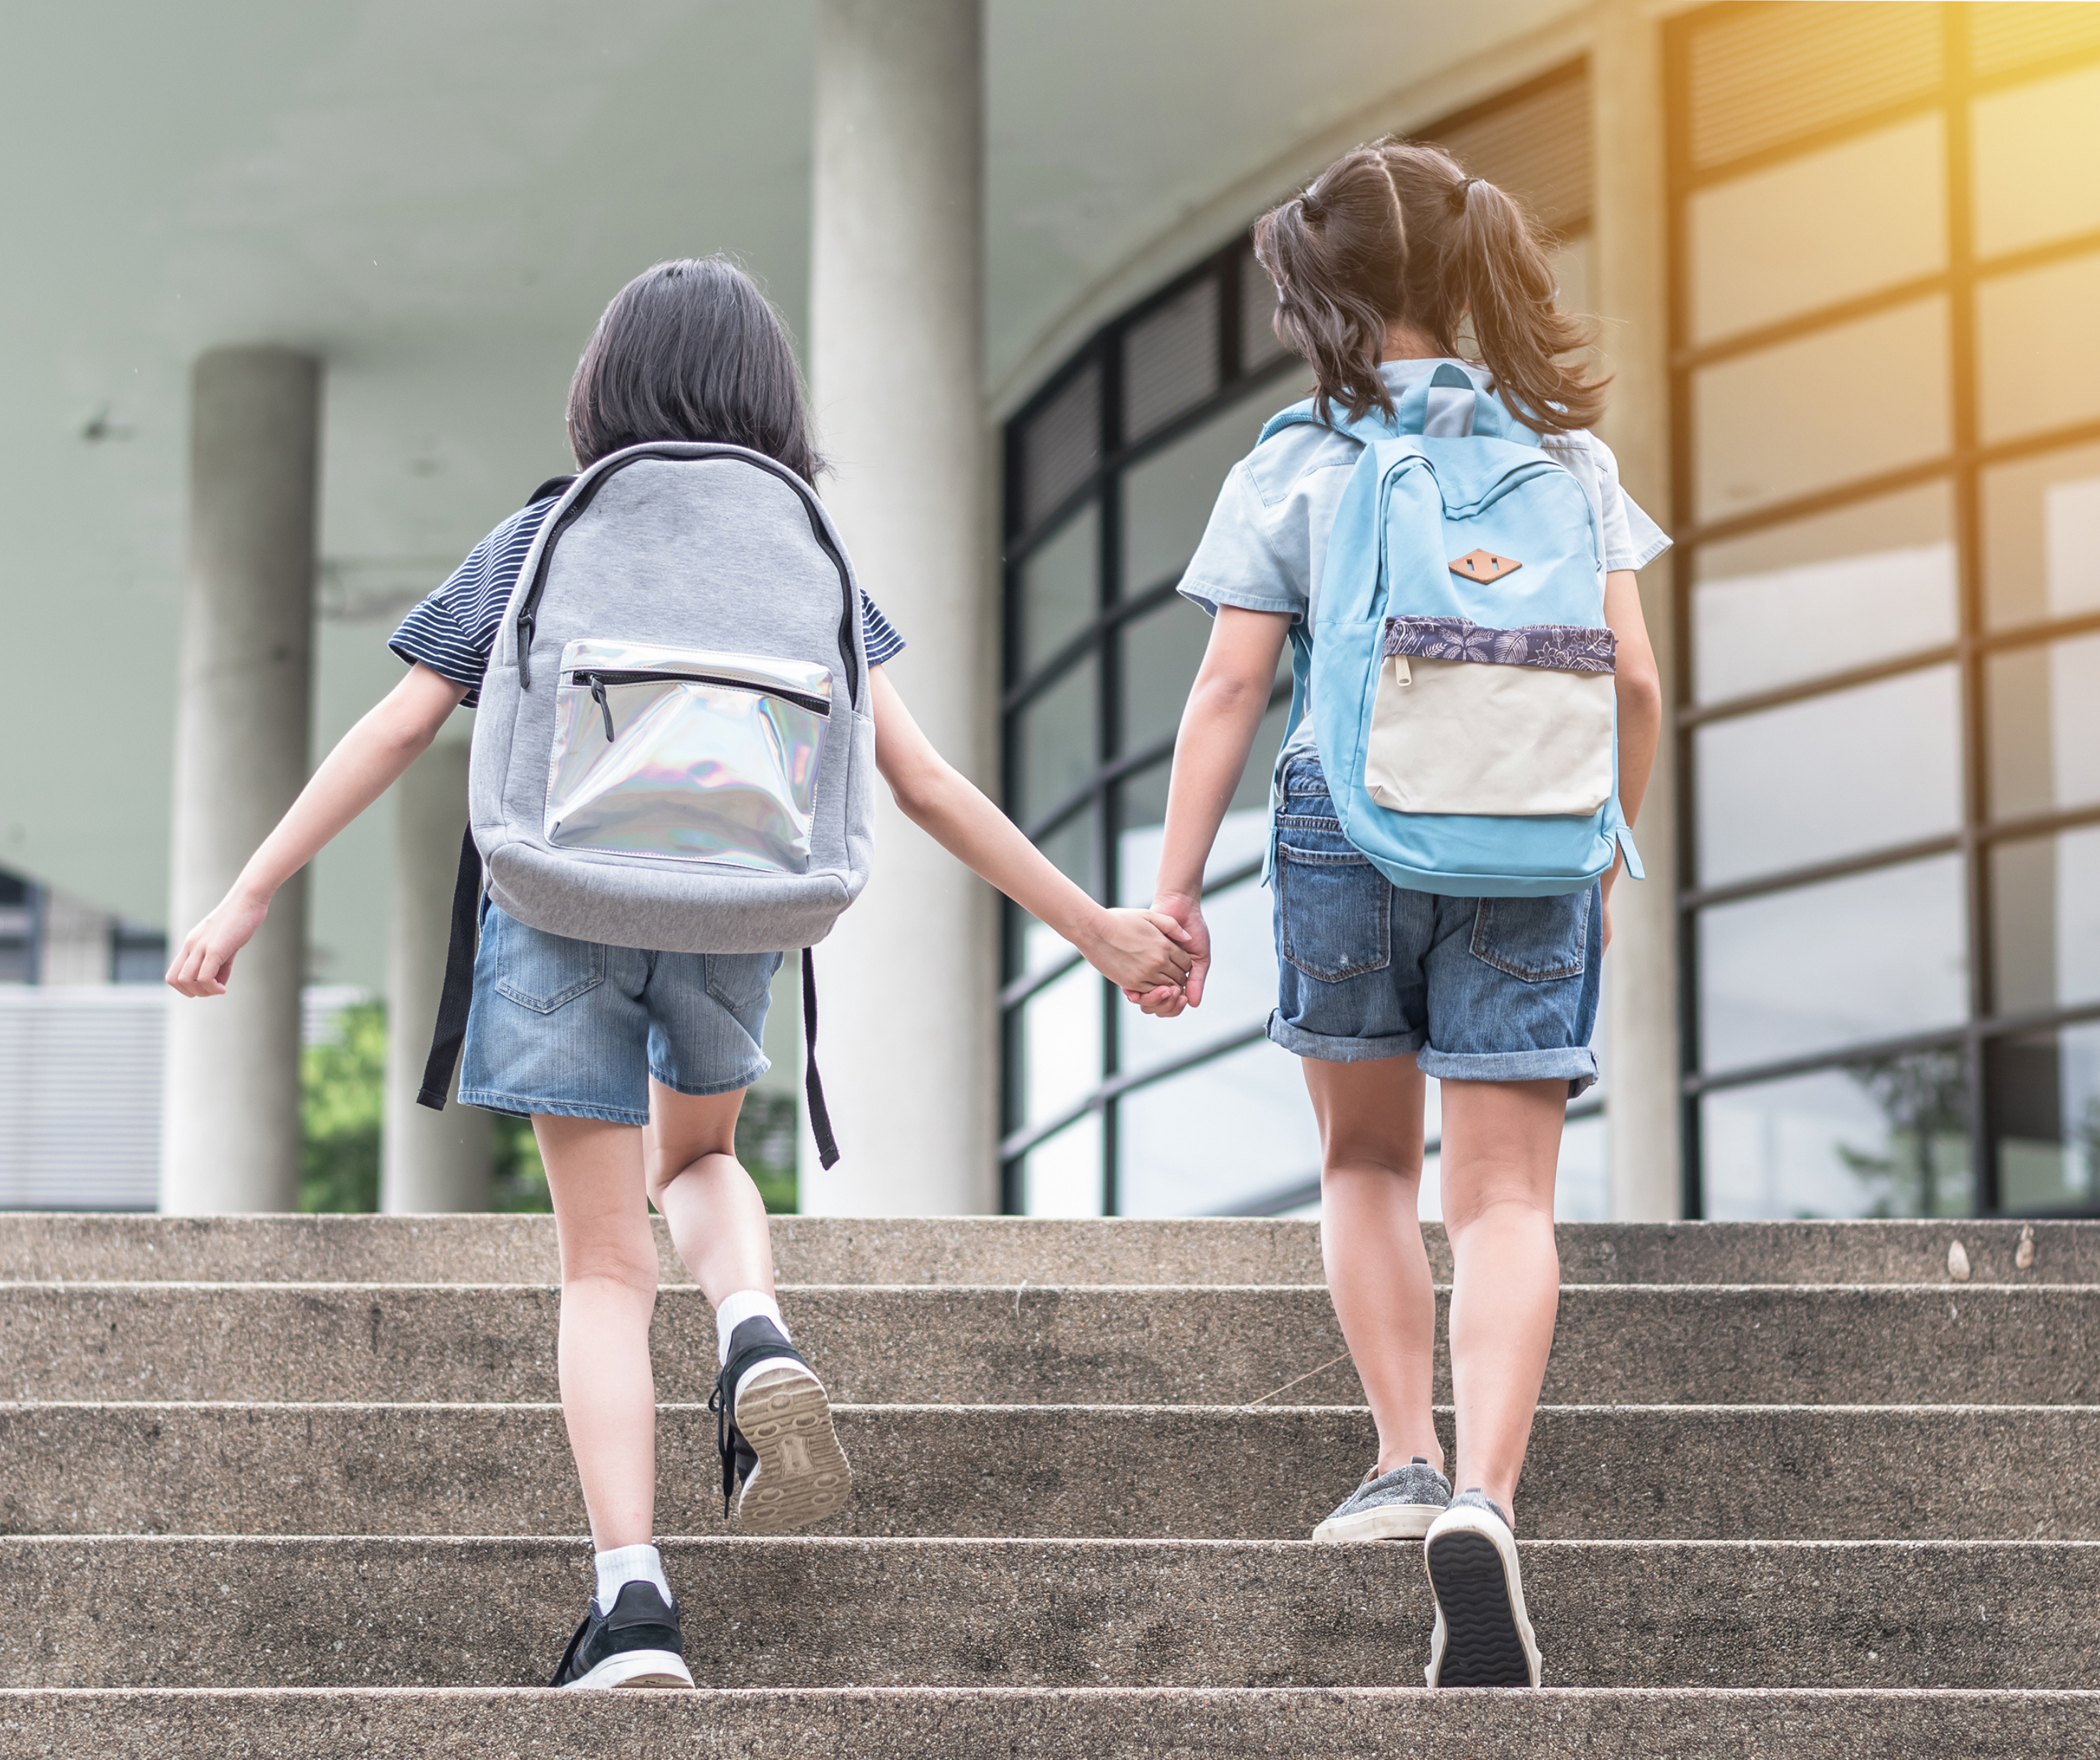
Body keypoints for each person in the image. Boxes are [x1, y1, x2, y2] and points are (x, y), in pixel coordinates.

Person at [165, 257, 1193, 1691]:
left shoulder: (542, 531)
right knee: (698, 1159)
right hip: (736, 905)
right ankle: (753, 1323)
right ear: (768, 397)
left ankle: (633, 1603)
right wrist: (1095, 927)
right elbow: (923, 778)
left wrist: (246, 890)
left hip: (558, 898)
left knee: (600, 1258)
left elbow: (397, 731)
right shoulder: (811, 552)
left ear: (606, 389)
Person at [1128, 143, 1667, 1686]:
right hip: (1532, 845)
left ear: (1329, 305)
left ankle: (1403, 1461)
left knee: (1364, 1157)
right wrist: (1602, 855)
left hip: (1345, 831)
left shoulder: (1295, 459)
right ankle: (1488, 1503)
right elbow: (1629, 681)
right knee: (1504, 1199)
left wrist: (1169, 891)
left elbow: (1231, 683)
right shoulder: (1571, 460)